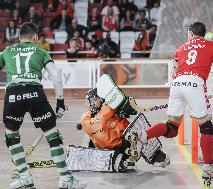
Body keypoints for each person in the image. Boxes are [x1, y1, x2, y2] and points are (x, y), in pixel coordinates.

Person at [141, 22, 213, 183]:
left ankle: (142, 136)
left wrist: (182, 89)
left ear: (191, 33)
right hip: (195, 83)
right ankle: (209, 169)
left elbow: (174, 73)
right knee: (207, 127)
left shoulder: (180, 49)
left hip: (177, 84)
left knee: (171, 128)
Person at [0, 22, 86, 189]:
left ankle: (24, 176)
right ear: (35, 37)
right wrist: (60, 102)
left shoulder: (7, 51)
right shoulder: (40, 51)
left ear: (19, 38)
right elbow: (55, 74)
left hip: (13, 95)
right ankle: (65, 179)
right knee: (52, 135)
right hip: (35, 94)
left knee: (11, 135)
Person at [78, 83, 169, 172]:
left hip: (124, 144)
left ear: (101, 98)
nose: (91, 103)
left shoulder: (91, 115)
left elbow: (125, 103)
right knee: (134, 132)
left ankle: (155, 155)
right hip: (111, 152)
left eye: (94, 99)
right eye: (90, 101)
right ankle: (123, 161)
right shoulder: (91, 116)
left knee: (135, 132)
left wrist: (124, 107)